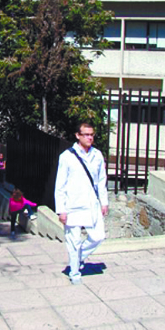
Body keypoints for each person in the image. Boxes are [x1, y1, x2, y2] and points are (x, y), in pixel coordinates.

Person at [55, 122, 109, 285]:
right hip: (73, 205)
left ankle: (78, 258)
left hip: (92, 204)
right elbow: (60, 185)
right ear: (78, 136)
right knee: (74, 241)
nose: (89, 138)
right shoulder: (67, 156)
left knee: (98, 236)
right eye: (86, 135)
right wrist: (61, 210)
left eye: (91, 134)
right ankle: (74, 272)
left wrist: (104, 202)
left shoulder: (97, 155)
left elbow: (101, 180)